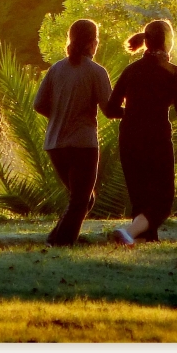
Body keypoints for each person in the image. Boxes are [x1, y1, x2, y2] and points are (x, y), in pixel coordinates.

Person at [106, 19, 177, 245]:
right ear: (168, 42)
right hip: (158, 139)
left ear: (146, 41)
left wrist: (134, 112)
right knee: (162, 201)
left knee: (140, 197)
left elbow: (111, 108)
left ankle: (143, 241)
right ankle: (129, 234)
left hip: (130, 138)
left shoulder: (131, 70)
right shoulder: (174, 73)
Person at [33, 19, 113, 247]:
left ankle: (54, 238)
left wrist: (60, 115)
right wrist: (137, 112)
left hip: (55, 145)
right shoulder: (96, 72)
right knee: (80, 200)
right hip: (83, 145)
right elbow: (109, 109)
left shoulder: (56, 69)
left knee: (84, 199)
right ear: (92, 43)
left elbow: (38, 104)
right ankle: (61, 244)